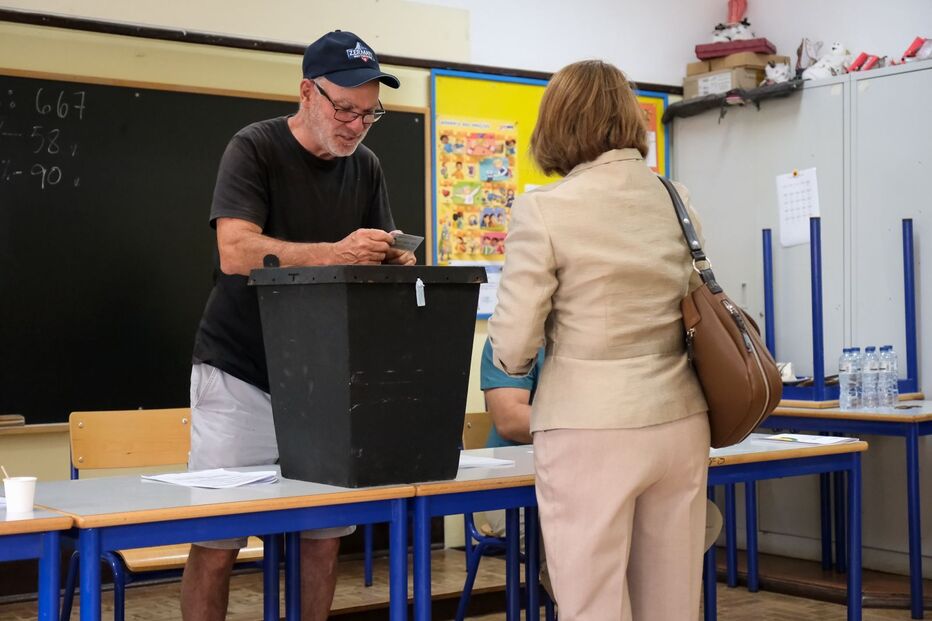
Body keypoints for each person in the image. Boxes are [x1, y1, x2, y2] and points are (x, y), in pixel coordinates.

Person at [183, 30, 414, 621]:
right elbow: (235, 252)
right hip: (240, 369)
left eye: (369, 114)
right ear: (307, 92)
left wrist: (393, 261)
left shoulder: (366, 167)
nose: (356, 125)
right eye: (345, 109)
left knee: (322, 538)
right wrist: (335, 252)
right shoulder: (254, 148)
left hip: (323, 378)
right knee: (216, 540)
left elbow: (370, 259)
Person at [488, 60, 710, 620]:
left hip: (589, 427)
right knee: (673, 602)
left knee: (593, 604)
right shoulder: (674, 197)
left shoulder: (545, 208)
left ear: (557, 123)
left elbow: (514, 348)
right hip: (681, 418)